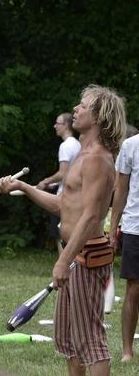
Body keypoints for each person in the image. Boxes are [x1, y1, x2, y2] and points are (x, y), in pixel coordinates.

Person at [0, 85, 126, 376]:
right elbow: (62, 206)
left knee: (90, 342)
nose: (76, 110)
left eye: (83, 106)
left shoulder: (97, 159)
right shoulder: (83, 154)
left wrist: (63, 260)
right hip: (76, 256)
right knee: (68, 340)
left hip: (87, 257)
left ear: (99, 116)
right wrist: (22, 186)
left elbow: (92, 217)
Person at [109, 125, 139, 362]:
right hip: (135, 226)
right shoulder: (131, 146)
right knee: (134, 288)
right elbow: (120, 191)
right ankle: (127, 350)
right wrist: (113, 229)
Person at [36, 113, 81, 253]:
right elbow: (72, 174)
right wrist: (54, 184)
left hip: (63, 197)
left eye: (58, 123)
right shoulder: (78, 144)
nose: (55, 126)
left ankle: (64, 270)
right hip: (76, 195)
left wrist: (45, 182)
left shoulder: (65, 146)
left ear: (66, 125)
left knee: (61, 234)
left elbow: (63, 173)